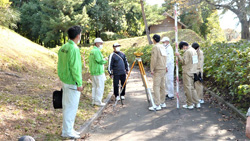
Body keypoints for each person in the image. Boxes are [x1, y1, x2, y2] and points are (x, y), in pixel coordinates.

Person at [57, 25, 83, 139]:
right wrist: (79, 83)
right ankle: (67, 131)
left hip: (65, 80)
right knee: (71, 107)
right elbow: (75, 68)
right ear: (78, 36)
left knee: (67, 106)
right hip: (72, 81)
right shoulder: (74, 48)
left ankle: (68, 129)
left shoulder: (64, 47)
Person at [175, 41, 200, 110]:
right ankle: (197, 102)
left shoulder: (187, 52)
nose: (183, 49)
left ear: (184, 46)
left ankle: (189, 104)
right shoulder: (193, 50)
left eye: (182, 48)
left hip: (187, 71)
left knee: (187, 88)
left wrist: (178, 56)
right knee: (192, 88)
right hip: (193, 71)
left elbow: (184, 62)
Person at [149, 34, 167, 111]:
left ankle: (157, 104)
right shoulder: (163, 47)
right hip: (163, 68)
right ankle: (162, 102)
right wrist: (165, 66)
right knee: (162, 86)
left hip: (158, 69)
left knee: (156, 86)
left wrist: (152, 69)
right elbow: (165, 57)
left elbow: (154, 59)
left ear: (154, 40)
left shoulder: (155, 47)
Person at [89, 38, 107, 106]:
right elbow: (100, 61)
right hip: (98, 72)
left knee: (94, 87)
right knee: (100, 87)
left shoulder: (92, 51)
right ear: (96, 43)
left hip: (93, 71)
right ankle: (98, 101)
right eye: (100, 43)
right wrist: (105, 59)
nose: (101, 45)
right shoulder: (97, 51)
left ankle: (94, 100)